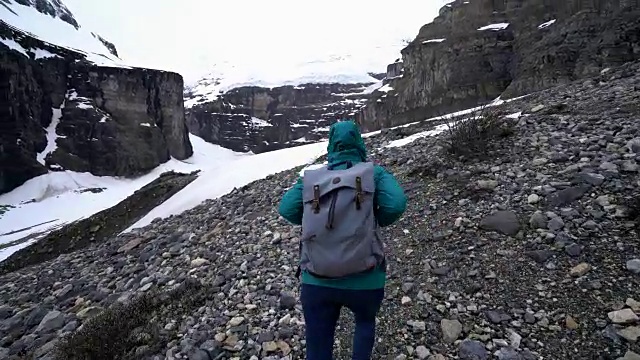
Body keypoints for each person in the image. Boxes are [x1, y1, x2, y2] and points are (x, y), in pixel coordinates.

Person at [278, 119, 407, 360]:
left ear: (331, 146)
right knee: (365, 323)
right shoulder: (373, 173)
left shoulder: (310, 178)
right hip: (366, 277)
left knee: (318, 341)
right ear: (359, 143)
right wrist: (373, 219)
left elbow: (286, 209)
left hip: (316, 279)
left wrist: (316, 222)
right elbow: (397, 203)